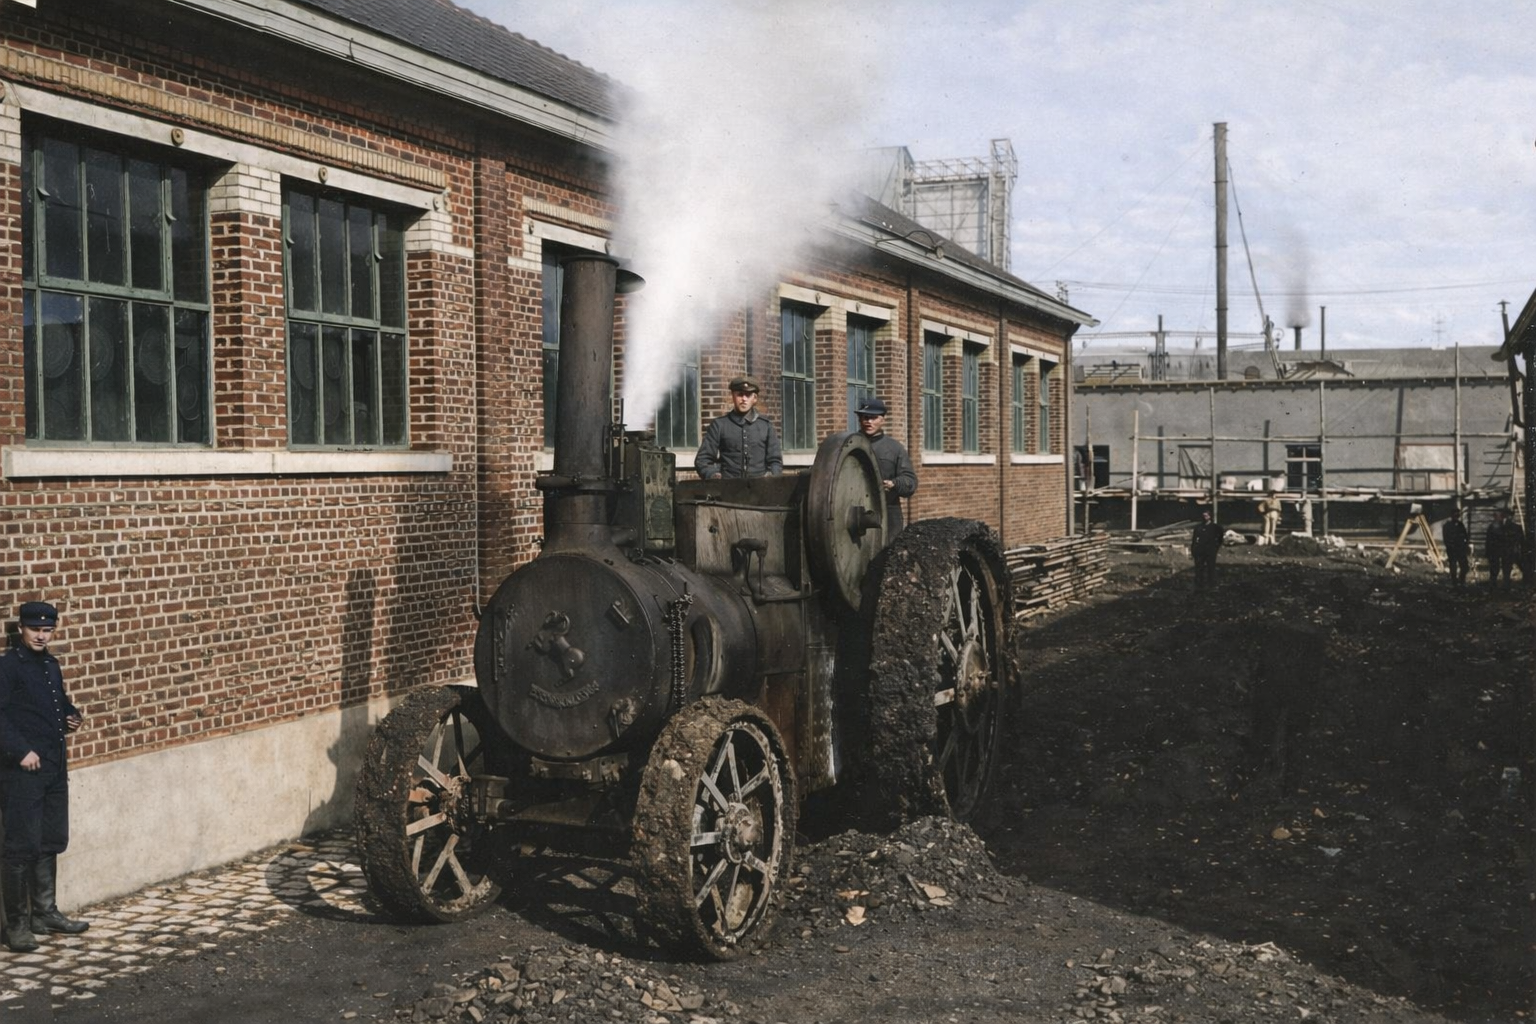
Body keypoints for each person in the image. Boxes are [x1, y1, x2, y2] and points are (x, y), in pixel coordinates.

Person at [0, 602, 88, 952]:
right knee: (20, 846)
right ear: (21, 629)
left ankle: (45, 912)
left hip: (52, 766)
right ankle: (17, 926)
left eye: (47, 629)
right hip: (22, 771)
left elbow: (57, 704)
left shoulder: (51, 665)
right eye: (34, 628)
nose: (41, 635)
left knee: (50, 839)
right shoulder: (8, 667)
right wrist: (20, 750)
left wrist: (72, 715)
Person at [694, 375, 783, 481]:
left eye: (748, 395)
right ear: (733, 396)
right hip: (728, 488)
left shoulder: (765, 426)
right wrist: (713, 475)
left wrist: (770, 477)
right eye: (740, 394)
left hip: (759, 489)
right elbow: (702, 460)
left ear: (754, 398)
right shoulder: (720, 425)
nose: (744, 399)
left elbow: (775, 461)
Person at [854, 397, 918, 535]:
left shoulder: (894, 448)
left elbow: (910, 482)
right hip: (853, 514)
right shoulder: (848, 445)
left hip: (887, 514)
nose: (869, 422)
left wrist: (894, 484)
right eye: (865, 417)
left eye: (874, 417)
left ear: (883, 419)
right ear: (859, 419)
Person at [1486, 508, 1526, 588]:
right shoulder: (1495, 527)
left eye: (1510, 516)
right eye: (1505, 516)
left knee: (1516, 568)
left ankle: (1523, 583)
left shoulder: (1516, 528)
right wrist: (1488, 552)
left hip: (1513, 551)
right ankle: (1497, 585)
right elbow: (1489, 540)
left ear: (1512, 516)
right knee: (1499, 569)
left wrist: (1522, 551)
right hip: (1500, 552)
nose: (1507, 518)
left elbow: (1522, 541)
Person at [1190, 509, 1223, 585]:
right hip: (1200, 550)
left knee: (1211, 567)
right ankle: (1199, 584)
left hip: (1210, 550)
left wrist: (1216, 546)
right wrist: (1193, 549)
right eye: (1203, 516)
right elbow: (1194, 539)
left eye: (1206, 516)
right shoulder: (1198, 527)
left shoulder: (1215, 527)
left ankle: (1211, 583)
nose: (1205, 517)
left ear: (1210, 516)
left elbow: (1220, 537)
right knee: (1199, 568)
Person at [1441, 508, 1470, 586]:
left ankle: (1462, 581)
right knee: (1453, 566)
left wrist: (1466, 545)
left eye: (1458, 514)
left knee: (1464, 567)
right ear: (1452, 515)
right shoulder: (1447, 525)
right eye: (1455, 514)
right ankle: (1455, 582)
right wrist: (1450, 546)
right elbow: (1445, 538)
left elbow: (1465, 536)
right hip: (1452, 549)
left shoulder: (1460, 525)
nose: (1456, 516)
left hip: (1461, 549)